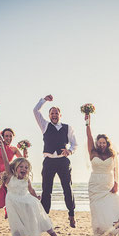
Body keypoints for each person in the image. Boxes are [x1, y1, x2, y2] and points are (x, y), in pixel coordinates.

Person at [0, 139, 66, 236]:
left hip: (27, 203)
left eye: (26, 167)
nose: (24, 169)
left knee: (44, 222)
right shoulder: (11, 176)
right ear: (15, 168)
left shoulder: (26, 179)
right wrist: (2, 148)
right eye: (21, 167)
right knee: (17, 232)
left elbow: (31, 190)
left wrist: (36, 196)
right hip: (13, 205)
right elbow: (6, 161)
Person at [33, 94, 78, 227]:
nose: (54, 115)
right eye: (52, 113)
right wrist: (44, 100)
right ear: (49, 115)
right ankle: (44, 217)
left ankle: (71, 214)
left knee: (67, 188)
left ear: (60, 115)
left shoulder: (67, 127)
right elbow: (35, 111)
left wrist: (69, 151)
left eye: (56, 113)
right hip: (49, 161)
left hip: (63, 161)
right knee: (46, 190)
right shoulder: (44, 125)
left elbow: (75, 144)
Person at [85, 112, 119, 236]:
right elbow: (88, 137)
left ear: (107, 143)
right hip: (95, 185)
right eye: (99, 142)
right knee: (97, 213)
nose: (101, 144)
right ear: (97, 143)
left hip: (108, 184)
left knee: (109, 212)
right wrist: (87, 123)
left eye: (104, 142)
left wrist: (116, 183)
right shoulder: (93, 152)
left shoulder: (112, 154)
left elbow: (116, 170)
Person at [0, 101, 25, 224]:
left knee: (10, 190)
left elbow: (22, 160)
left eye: (10, 136)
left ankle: (8, 209)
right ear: (3, 136)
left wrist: (25, 152)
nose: (8, 138)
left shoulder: (14, 149)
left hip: (7, 172)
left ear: (13, 137)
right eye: (6, 136)